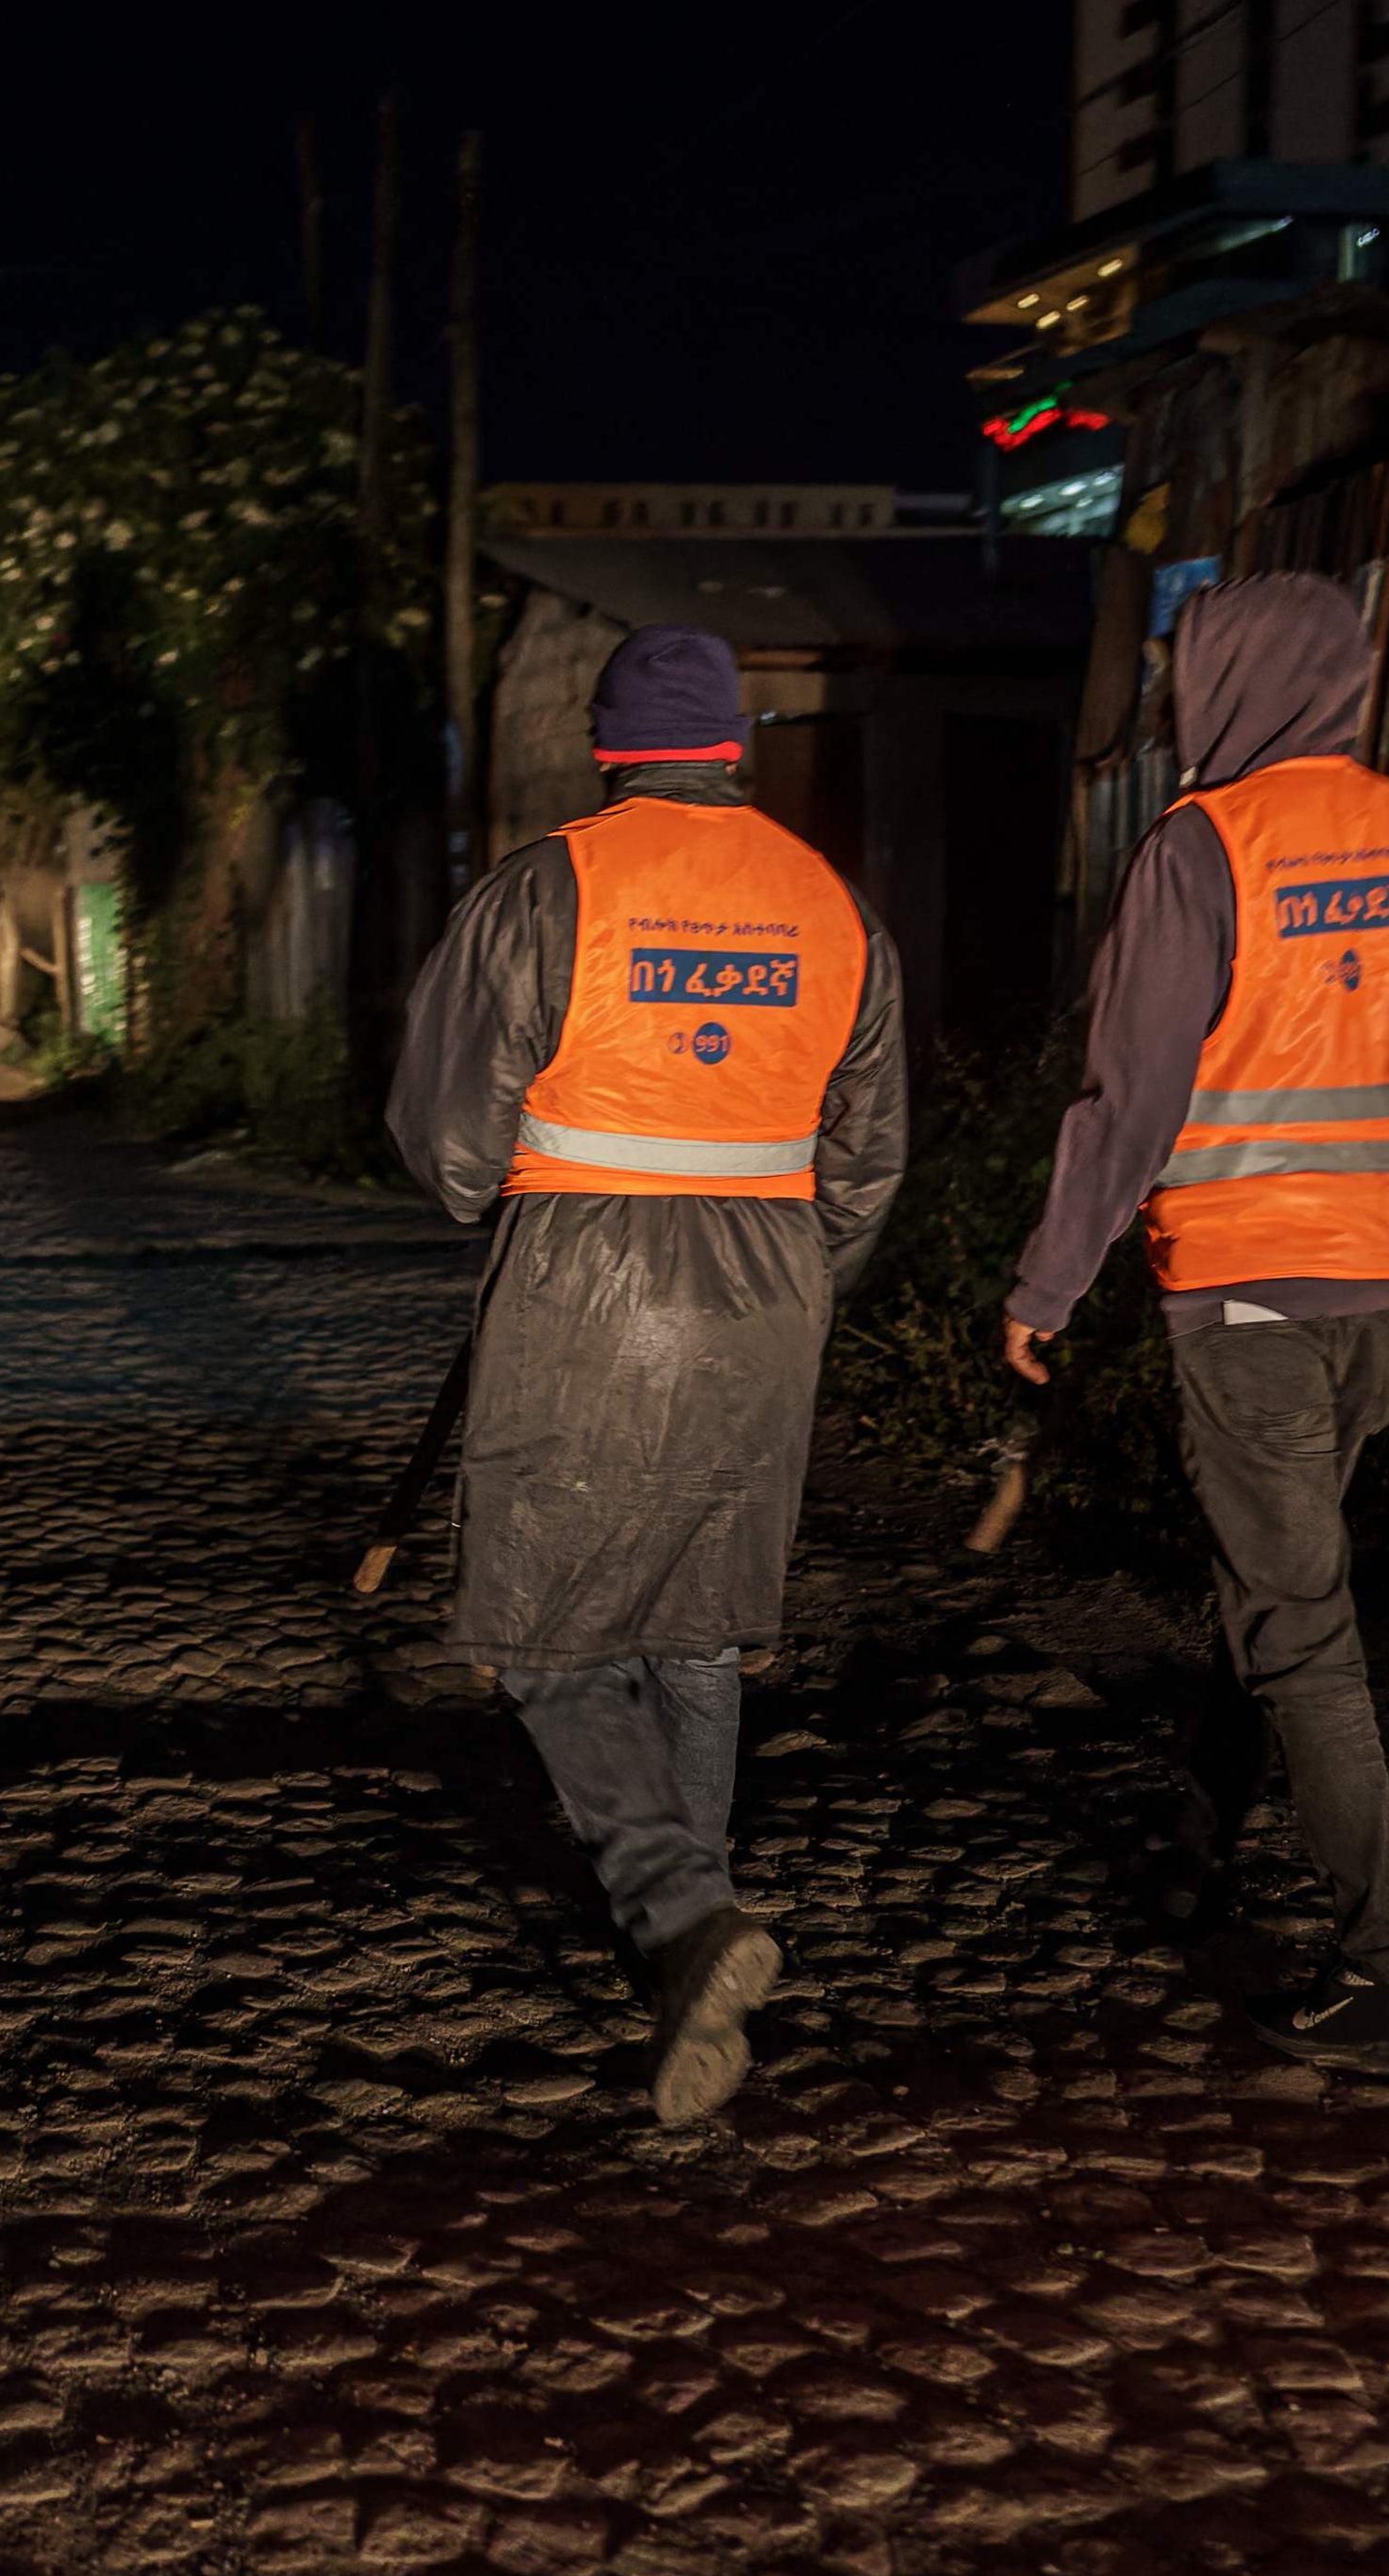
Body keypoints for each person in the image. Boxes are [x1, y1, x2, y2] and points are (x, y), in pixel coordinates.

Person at [388, 624, 906, 2126]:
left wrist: (538, 1196)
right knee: (696, 1632)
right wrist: (799, 1282)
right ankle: (695, 1968)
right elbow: (867, 1165)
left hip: (581, 1282)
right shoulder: (834, 900)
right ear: (733, 744)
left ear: (608, 747)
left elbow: (451, 1144)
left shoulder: (548, 887)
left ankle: (685, 1916)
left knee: (548, 1634)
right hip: (770, 1293)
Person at [999, 570, 1389, 2077]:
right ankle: (1202, 1835)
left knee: (1300, 1621)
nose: (1170, 701)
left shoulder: (1200, 847)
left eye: (1183, 673)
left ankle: (1388, 1975)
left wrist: (1048, 1284)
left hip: (1247, 1296)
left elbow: (1131, 1100)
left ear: (1223, 681)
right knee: (1273, 1579)